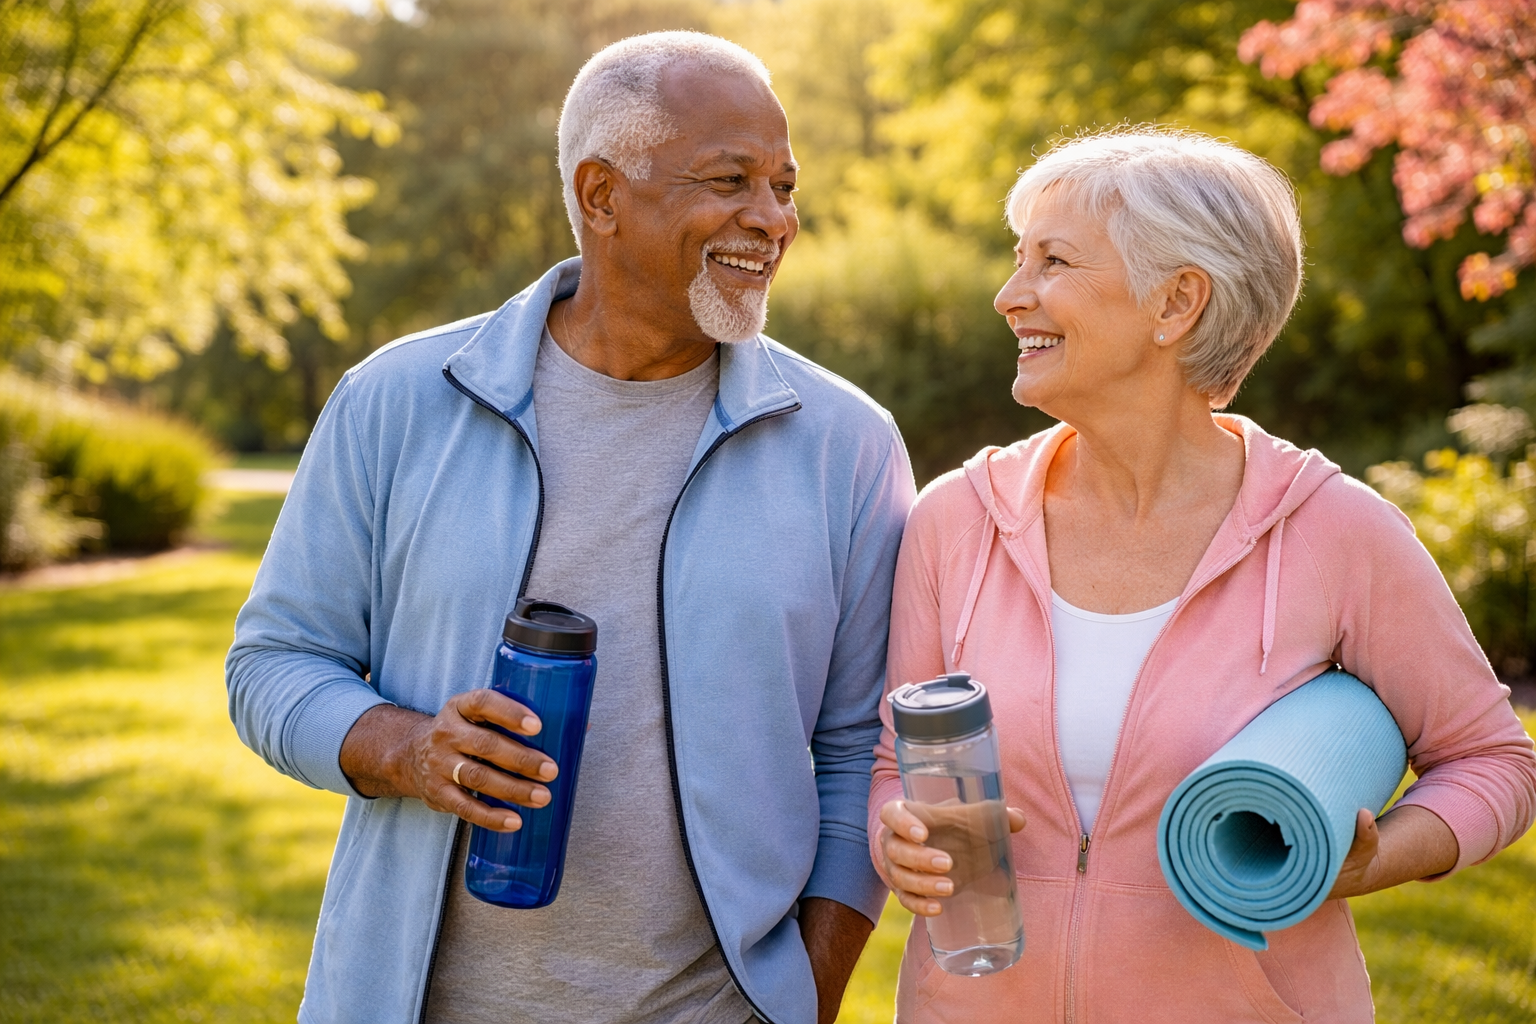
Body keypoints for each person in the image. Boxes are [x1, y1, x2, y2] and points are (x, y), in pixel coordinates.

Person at [227, 32, 916, 1024]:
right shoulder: (398, 400)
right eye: (731, 180)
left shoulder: (847, 444)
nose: (772, 220)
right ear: (602, 195)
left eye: (784, 186)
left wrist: (804, 998)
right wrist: (409, 749)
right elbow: (274, 661)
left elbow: (860, 752)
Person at [868, 129, 1536, 1022]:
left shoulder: (1335, 531)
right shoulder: (956, 521)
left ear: (1177, 302)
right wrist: (897, 836)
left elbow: (1493, 761)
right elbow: (893, 762)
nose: (1009, 295)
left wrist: (1379, 857)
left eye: (1053, 261)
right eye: (1018, 259)